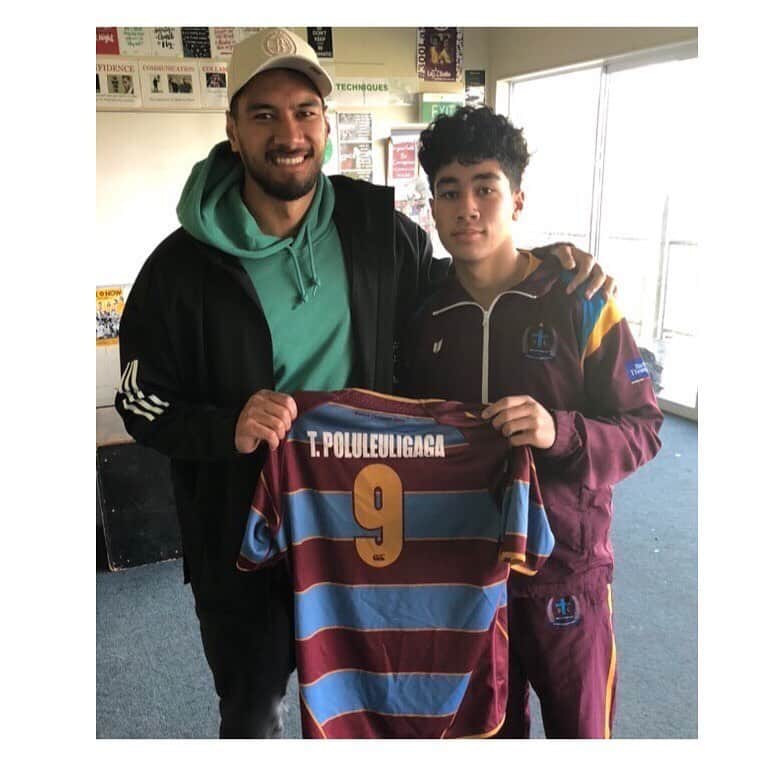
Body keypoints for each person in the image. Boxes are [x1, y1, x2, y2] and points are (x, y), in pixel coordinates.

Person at [115, 28, 613, 739]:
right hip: (243, 528)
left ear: (325, 122)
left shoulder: (376, 227)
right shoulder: (179, 266)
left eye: (304, 112)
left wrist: (544, 264)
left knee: (373, 698)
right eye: (264, 114)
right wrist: (224, 425)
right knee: (253, 711)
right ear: (232, 129)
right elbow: (139, 400)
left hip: (372, 533)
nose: (288, 133)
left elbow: (458, 291)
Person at [398, 106, 663, 739]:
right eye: (449, 191)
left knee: (581, 734)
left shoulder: (580, 297)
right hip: (465, 574)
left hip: (565, 571)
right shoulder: (425, 318)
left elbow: (644, 428)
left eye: (485, 187)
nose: (468, 208)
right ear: (431, 206)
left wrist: (559, 432)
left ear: (516, 199)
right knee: (485, 734)